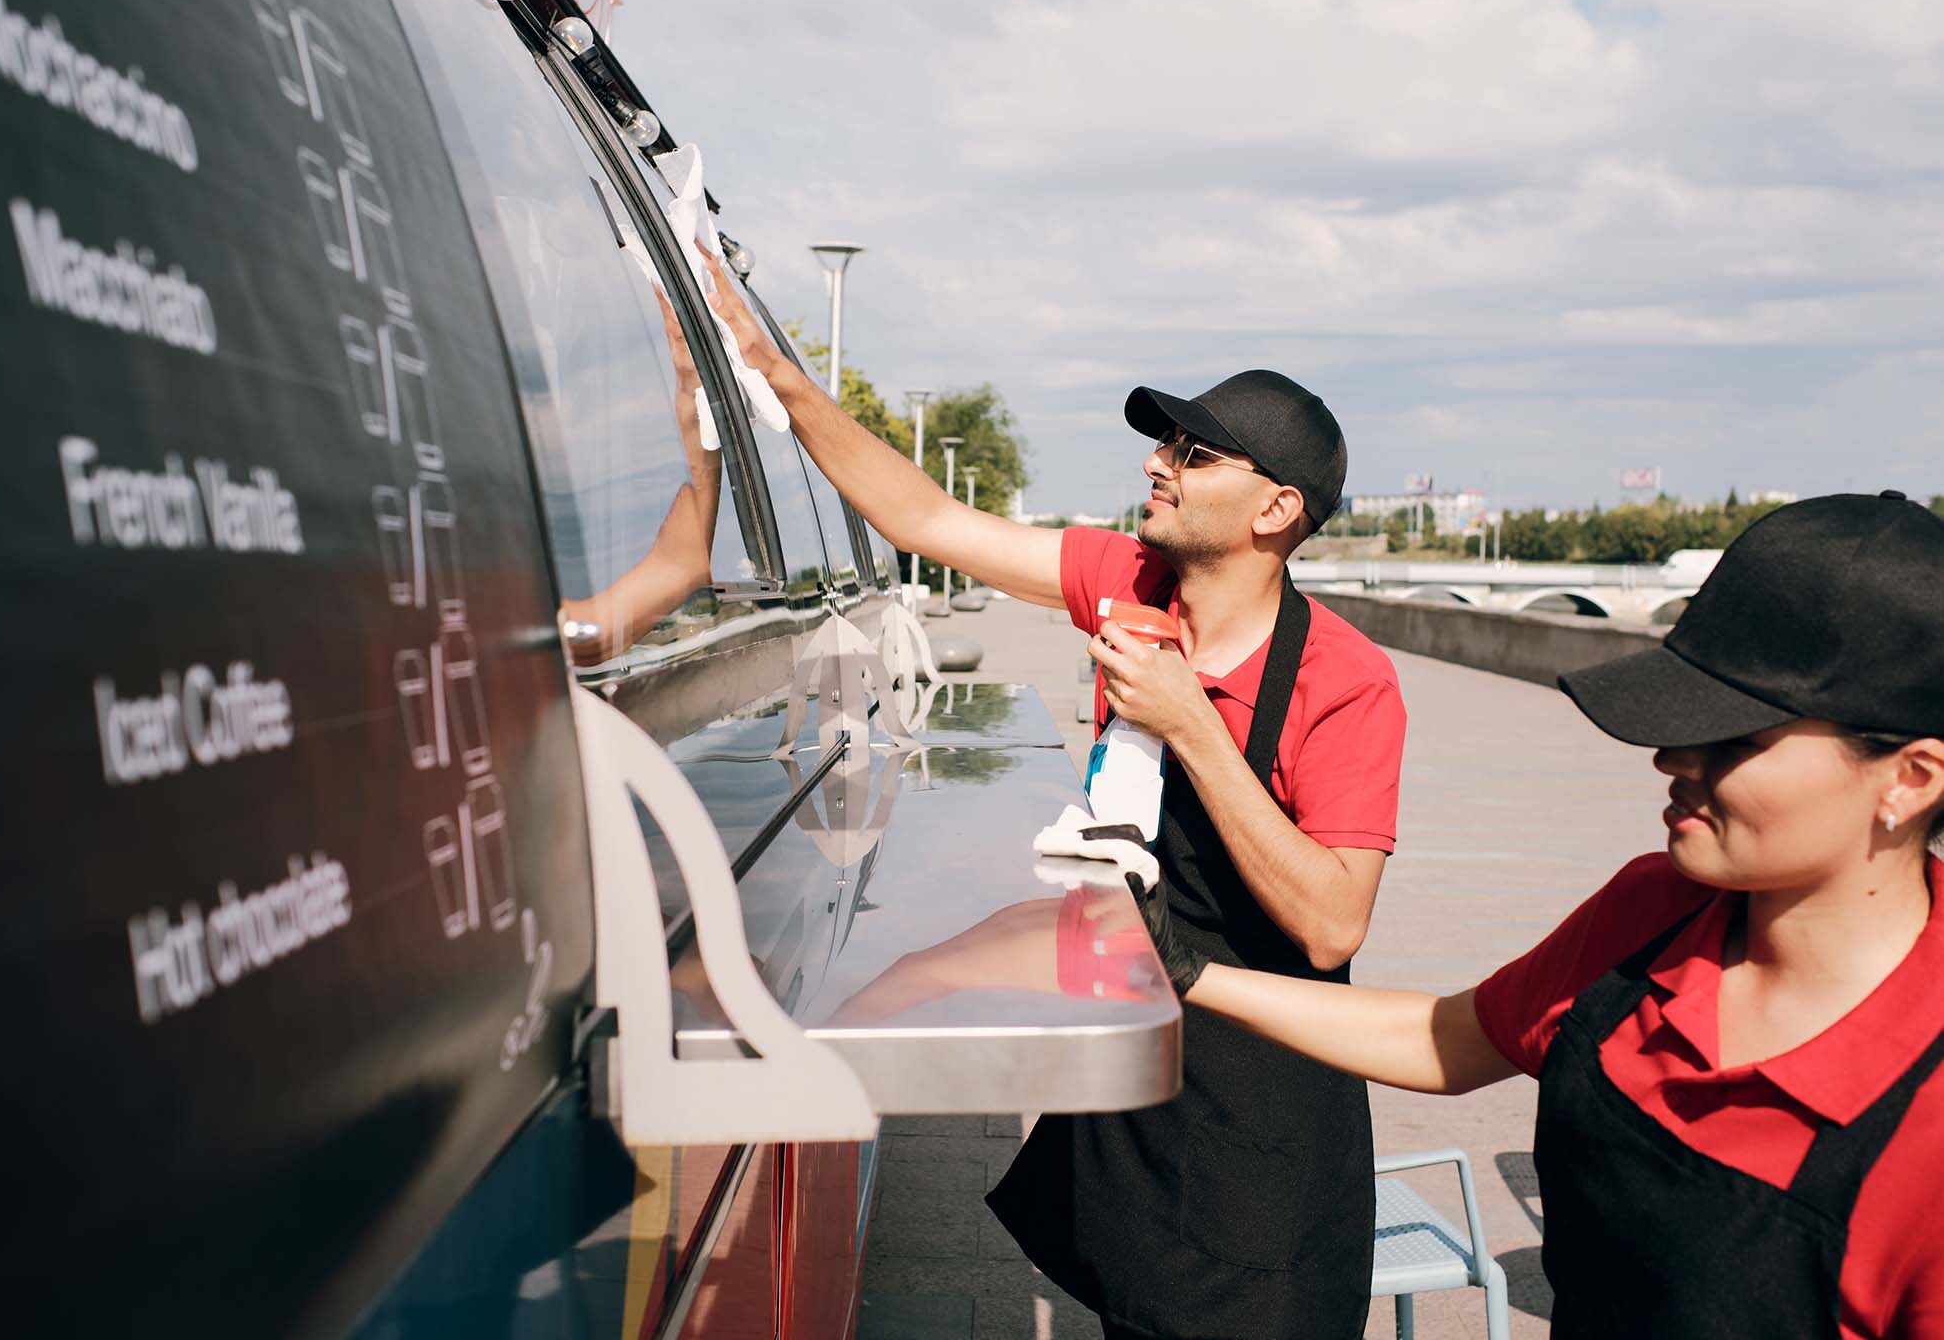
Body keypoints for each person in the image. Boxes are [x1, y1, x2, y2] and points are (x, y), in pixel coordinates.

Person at [706, 255, 1407, 1339]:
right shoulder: (1129, 577)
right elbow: (926, 519)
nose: (1158, 462)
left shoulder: (1348, 680)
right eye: (1166, 443)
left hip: (1262, 1129)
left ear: (1276, 508)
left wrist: (1188, 723)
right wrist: (779, 378)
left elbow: (1330, 924)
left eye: (1194, 452)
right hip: (1134, 1089)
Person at [1124, 492, 1944, 1338]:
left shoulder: (1928, 1120)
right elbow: (1448, 1040)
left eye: (1734, 738)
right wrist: (1186, 971)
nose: (1670, 759)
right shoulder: (1653, 910)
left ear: (1911, 778)